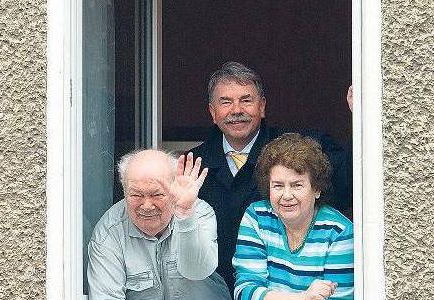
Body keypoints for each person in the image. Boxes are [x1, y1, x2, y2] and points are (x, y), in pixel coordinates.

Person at [191, 62, 352, 289]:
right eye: (226, 102)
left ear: (262, 106)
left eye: (246, 100)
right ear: (212, 112)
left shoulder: (300, 151)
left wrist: (363, 118)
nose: (236, 110)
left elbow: (350, 181)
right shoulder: (191, 167)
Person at [86, 149, 231, 300]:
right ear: (124, 191)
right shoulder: (110, 230)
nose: (147, 205)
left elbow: (197, 270)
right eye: (136, 195)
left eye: (157, 194)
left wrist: (185, 215)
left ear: (174, 189)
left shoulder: (198, 212)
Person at [233, 133, 354, 300]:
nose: (286, 195)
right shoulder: (257, 217)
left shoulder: (339, 232)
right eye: (278, 186)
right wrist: (302, 298)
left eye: (297, 185)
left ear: (317, 189)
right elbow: (245, 291)